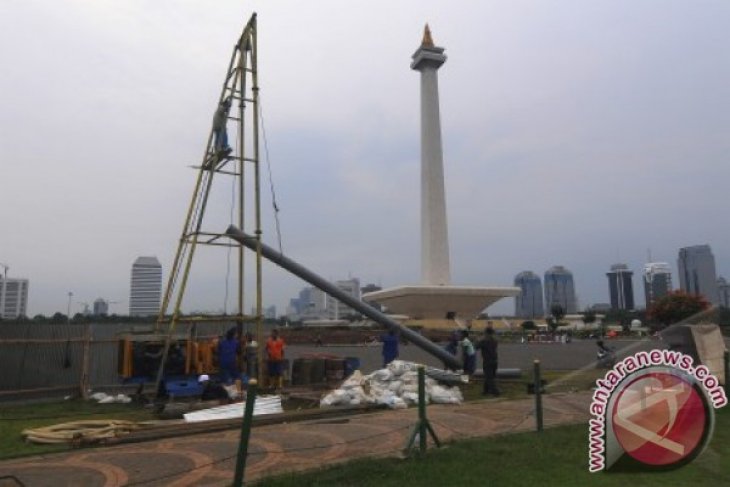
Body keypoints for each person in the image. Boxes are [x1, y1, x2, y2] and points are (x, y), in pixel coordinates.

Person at [477, 327, 500, 396]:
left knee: (489, 378)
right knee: (489, 376)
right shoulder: (495, 340)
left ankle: (495, 391)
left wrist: (478, 340)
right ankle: (485, 391)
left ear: (486, 333)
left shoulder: (484, 341)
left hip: (487, 361)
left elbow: (476, 347)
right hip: (495, 361)